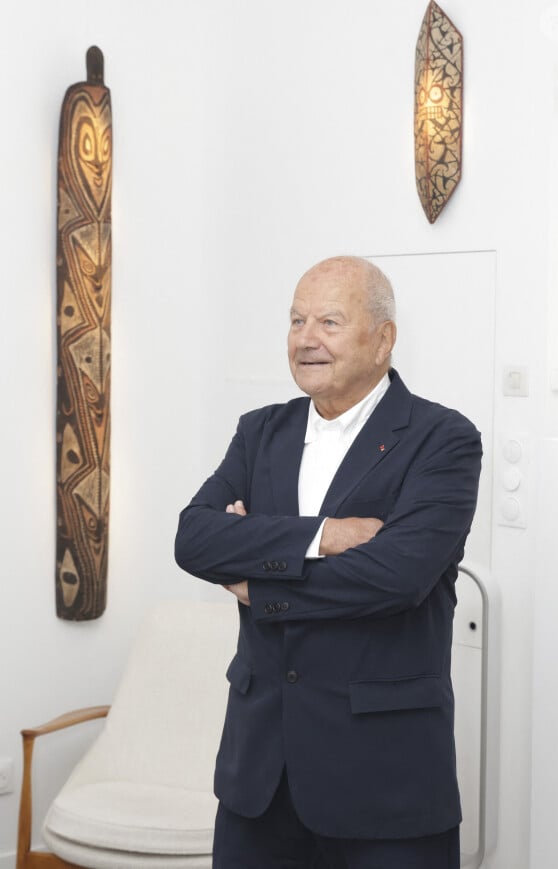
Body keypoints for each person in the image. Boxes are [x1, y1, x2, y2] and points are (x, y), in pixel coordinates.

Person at [175, 255, 482, 869]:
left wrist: (258, 579)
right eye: (296, 320)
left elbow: (396, 577)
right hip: (258, 779)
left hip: (384, 782)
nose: (306, 339)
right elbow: (196, 539)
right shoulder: (260, 431)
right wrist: (326, 535)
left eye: (330, 322)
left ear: (384, 339)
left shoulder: (443, 439)